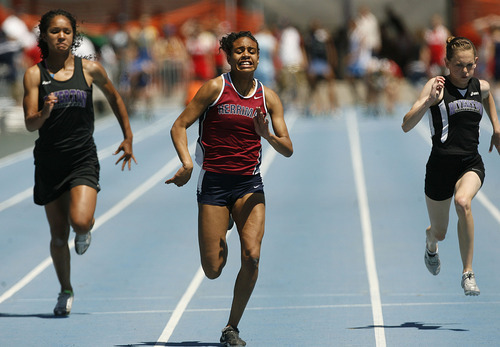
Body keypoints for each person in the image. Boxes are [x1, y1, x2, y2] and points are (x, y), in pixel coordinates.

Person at [166, 31, 293, 346]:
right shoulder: (214, 88)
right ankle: (221, 227)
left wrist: (268, 135)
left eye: (251, 50)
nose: (245, 55)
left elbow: (288, 147)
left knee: (251, 255)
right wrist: (186, 163)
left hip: (249, 184)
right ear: (229, 56)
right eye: (239, 51)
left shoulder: (269, 97)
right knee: (212, 269)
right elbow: (179, 125)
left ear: (259, 56)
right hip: (214, 183)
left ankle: (231, 328)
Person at [22, 9, 136, 316]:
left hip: (82, 157)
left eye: (67, 31)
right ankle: (66, 290)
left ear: (74, 36)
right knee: (58, 235)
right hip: (48, 162)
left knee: (81, 221)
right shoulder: (35, 74)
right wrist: (43, 114)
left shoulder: (90, 70)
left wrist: (127, 136)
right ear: (44, 36)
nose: (61, 36)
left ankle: (85, 230)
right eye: (55, 31)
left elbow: (114, 98)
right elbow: (30, 124)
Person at [402, 36, 500, 296]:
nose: (465, 71)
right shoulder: (437, 86)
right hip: (439, 168)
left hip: (470, 163)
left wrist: (497, 128)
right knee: (440, 232)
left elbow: (488, 97)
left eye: (469, 65)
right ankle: (430, 242)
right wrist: (428, 101)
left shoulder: (481, 86)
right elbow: (406, 124)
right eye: (458, 66)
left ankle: (467, 273)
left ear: (476, 62)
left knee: (463, 202)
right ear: (446, 63)